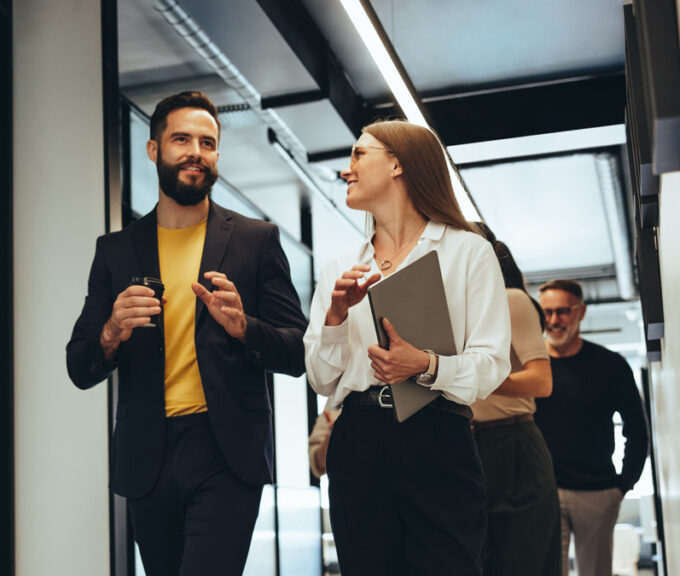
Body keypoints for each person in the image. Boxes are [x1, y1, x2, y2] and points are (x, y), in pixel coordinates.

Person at [66, 91, 307, 575]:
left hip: (226, 450)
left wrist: (245, 328)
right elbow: (79, 365)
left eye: (208, 142)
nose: (196, 151)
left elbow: (297, 353)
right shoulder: (115, 251)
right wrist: (112, 329)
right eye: (181, 139)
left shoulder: (256, 241)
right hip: (147, 453)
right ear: (154, 149)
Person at [303, 119, 511, 576]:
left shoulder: (468, 251)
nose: (346, 169)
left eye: (359, 154)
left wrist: (426, 364)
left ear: (398, 164)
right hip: (357, 439)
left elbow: (492, 363)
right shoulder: (341, 267)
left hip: (436, 434)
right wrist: (336, 316)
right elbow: (321, 379)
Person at [534, 279, 649, 576]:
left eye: (562, 312)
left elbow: (636, 427)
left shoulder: (610, 364)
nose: (553, 321)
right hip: (544, 491)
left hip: (598, 492)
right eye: (546, 312)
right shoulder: (531, 368)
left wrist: (624, 484)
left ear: (581, 312)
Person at [471, 224, 560, 576]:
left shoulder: (511, 299)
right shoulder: (457, 310)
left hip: (512, 444)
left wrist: (468, 376)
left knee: (521, 561)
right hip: (469, 444)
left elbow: (541, 381)